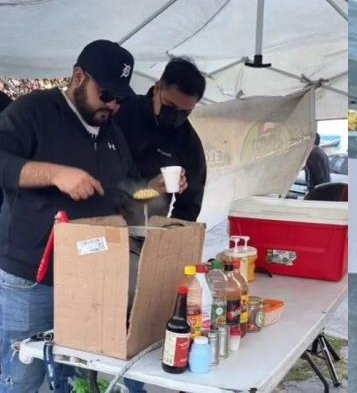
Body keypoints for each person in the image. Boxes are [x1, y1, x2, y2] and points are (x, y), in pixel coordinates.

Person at [0, 40, 150, 392]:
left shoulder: (113, 132)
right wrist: (54, 174)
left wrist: (151, 187)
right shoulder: (33, 110)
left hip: (88, 278)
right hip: (30, 277)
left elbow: (126, 187)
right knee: (21, 375)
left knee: (77, 375)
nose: (112, 105)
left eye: (119, 99)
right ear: (79, 76)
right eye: (107, 94)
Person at [113, 57, 206, 224]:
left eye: (185, 112)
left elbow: (190, 204)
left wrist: (170, 232)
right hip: (103, 217)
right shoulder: (124, 112)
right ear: (157, 88)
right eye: (170, 105)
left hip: (148, 228)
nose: (176, 115)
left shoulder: (189, 144)